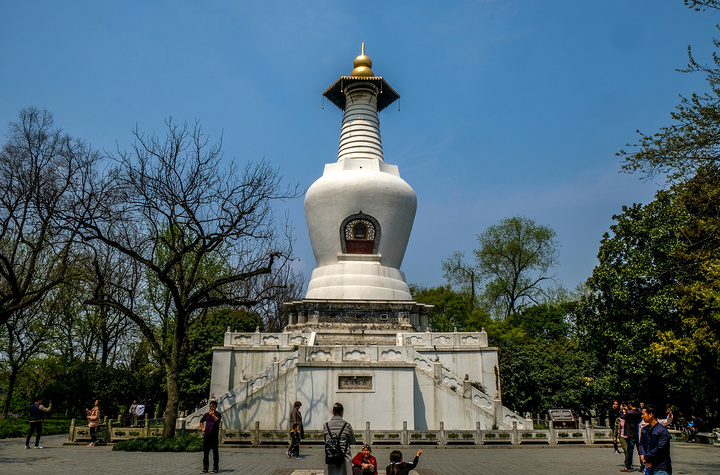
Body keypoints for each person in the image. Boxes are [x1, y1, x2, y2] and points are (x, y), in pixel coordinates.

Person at [638, 404, 672, 475]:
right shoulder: (644, 430)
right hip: (648, 467)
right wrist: (642, 456)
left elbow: (660, 448)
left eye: (643, 414)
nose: (642, 416)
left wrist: (646, 457)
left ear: (651, 415)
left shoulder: (662, 431)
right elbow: (641, 444)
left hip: (661, 468)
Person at [324, 402, 356, 475]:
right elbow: (353, 441)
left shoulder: (326, 425)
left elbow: (326, 440)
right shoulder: (347, 426)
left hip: (330, 457)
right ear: (342, 412)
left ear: (332, 412)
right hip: (344, 458)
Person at [620, 401, 642, 472]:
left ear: (630, 405)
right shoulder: (639, 412)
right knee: (641, 451)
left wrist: (624, 410)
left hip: (631, 434)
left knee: (630, 451)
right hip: (638, 434)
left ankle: (628, 466)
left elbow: (622, 416)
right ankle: (643, 466)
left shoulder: (629, 414)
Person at [200, 400, 221, 473]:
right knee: (206, 453)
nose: (212, 407)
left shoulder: (218, 414)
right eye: (211, 406)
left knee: (215, 453)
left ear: (216, 407)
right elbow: (201, 421)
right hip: (207, 435)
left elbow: (217, 420)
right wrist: (203, 428)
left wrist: (212, 415)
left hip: (214, 436)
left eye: (213, 406)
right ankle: (205, 468)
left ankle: (215, 468)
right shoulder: (206, 415)